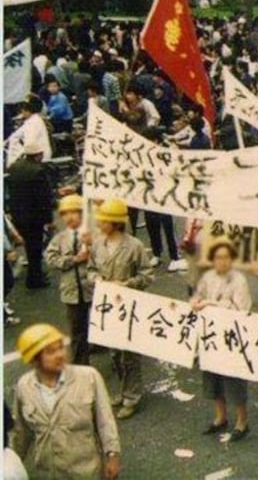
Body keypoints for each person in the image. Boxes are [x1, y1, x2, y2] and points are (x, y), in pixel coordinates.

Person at [11, 323, 121, 479]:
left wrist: (112, 455)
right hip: (48, 473)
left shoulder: (89, 377)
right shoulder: (24, 386)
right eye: (50, 352)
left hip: (86, 472)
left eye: (60, 347)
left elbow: (105, 421)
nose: (59, 354)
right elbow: (21, 432)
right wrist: (11, 461)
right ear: (34, 360)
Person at [87, 198, 154, 419]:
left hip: (128, 305)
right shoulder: (98, 244)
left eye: (104, 220)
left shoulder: (134, 246)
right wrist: (97, 280)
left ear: (115, 222)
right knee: (114, 352)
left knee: (130, 354)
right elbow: (90, 269)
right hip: (106, 306)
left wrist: (126, 284)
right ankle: (123, 390)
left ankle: (132, 397)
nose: (99, 223)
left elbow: (147, 275)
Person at [191, 237, 253, 442]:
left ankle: (242, 422)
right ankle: (220, 417)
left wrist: (212, 304)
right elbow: (196, 299)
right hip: (210, 335)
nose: (222, 261)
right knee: (212, 378)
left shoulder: (239, 280)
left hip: (231, 336)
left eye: (226, 257)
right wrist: (198, 303)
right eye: (218, 257)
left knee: (234, 380)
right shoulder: (207, 277)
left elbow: (242, 309)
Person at [44, 195, 91, 365]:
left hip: (92, 289)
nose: (70, 217)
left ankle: (106, 351)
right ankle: (81, 365)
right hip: (71, 291)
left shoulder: (91, 235)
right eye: (65, 213)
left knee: (97, 324)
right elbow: (50, 258)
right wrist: (73, 260)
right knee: (77, 330)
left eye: (75, 212)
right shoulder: (60, 238)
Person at [6, 141, 54, 289]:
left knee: (27, 246)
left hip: (17, 215)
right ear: (38, 155)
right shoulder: (38, 171)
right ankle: (35, 278)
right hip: (34, 218)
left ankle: (35, 274)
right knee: (35, 249)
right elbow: (44, 198)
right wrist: (49, 219)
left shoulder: (14, 167)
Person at [6, 98, 52, 167]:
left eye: (22, 110)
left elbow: (30, 144)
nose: (21, 112)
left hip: (36, 158)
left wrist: (19, 155)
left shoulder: (33, 123)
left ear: (27, 111)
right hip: (31, 155)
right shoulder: (32, 120)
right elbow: (16, 135)